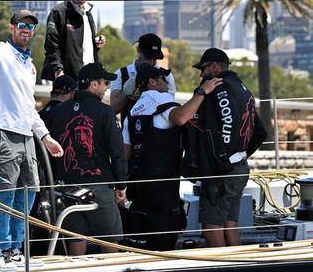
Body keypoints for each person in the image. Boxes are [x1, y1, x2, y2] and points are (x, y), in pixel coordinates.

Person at [0, 0, 63, 271]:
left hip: (25, 135)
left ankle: (17, 248)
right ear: (12, 28)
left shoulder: (30, 67)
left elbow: (28, 106)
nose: (26, 29)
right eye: (22, 24)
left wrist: (45, 136)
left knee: (31, 193)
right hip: (3, 133)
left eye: (31, 26)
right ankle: (3, 251)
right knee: (6, 195)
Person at [121, 64, 222, 250]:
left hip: (138, 184)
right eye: (162, 78)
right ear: (151, 82)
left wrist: (119, 186)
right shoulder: (161, 99)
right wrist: (202, 92)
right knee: (164, 235)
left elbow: (124, 154)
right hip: (162, 185)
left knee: (142, 233)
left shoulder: (132, 113)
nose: (167, 81)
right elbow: (180, 118)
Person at [189, 48, 267, 247]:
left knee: (211, 227)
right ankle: (240, 268)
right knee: (230, 225)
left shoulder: (218, 88)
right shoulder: (243, 88)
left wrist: (221, 159)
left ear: (214, 67)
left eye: (203, 68)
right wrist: (239, 154)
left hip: (222, 172)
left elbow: (226, 126)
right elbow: (260, 133)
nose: (201, 74)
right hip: (240, 168)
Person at [47, 63, 126, 255]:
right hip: (99, 186)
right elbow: (117, 153)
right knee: (111, 244)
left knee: (76, 240)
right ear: (93, 84)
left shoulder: (57, 113)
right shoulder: (105, 111)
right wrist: (121, 185)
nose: (107, 87)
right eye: (105, 82)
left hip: (68, 188)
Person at [110, 33, 176, 125]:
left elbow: (170, 108)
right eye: (148, 57)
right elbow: (113, 109)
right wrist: (129, 89)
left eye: (155, 57)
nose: (152, 61)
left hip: (156, 132)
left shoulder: (166, 75)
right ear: (138, 50)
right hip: (130, 132)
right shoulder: (121, 74)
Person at [42, 1, 107, 81]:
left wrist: (95, 44)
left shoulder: (88, 13)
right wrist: (59, 71)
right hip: (69, 80)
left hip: (91, 79)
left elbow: (80, 44)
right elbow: (51, 46)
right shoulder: (59, 11)